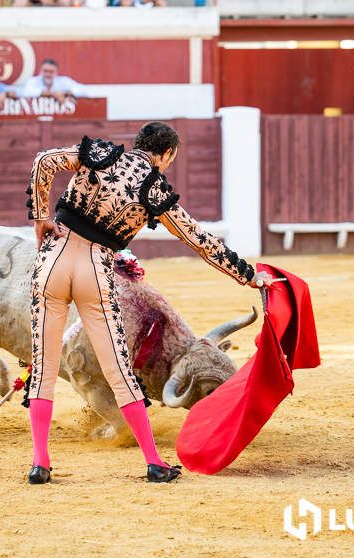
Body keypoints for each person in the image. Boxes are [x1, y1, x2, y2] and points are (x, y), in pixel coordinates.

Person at [24, 122, 273, 485]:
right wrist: (249, 276)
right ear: (167, 154)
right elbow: (201, 241)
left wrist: (41, 218)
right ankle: (154, 462)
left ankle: (39, 464)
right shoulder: (154, 191)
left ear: (137, 143)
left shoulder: (100, 155)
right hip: (96, 269)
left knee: (45, 366)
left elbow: (44, 160)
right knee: (120, 373)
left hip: (52, 262)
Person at [21, 59, 88, 102]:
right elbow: (27, 92)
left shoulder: (63, 81)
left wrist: (67, 94)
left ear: (56, 72)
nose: (48, 74)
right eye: (45, 71)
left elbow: (82, 90)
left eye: (51, 72)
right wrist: (53, 94)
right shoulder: (33, 81)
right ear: (40, 71)